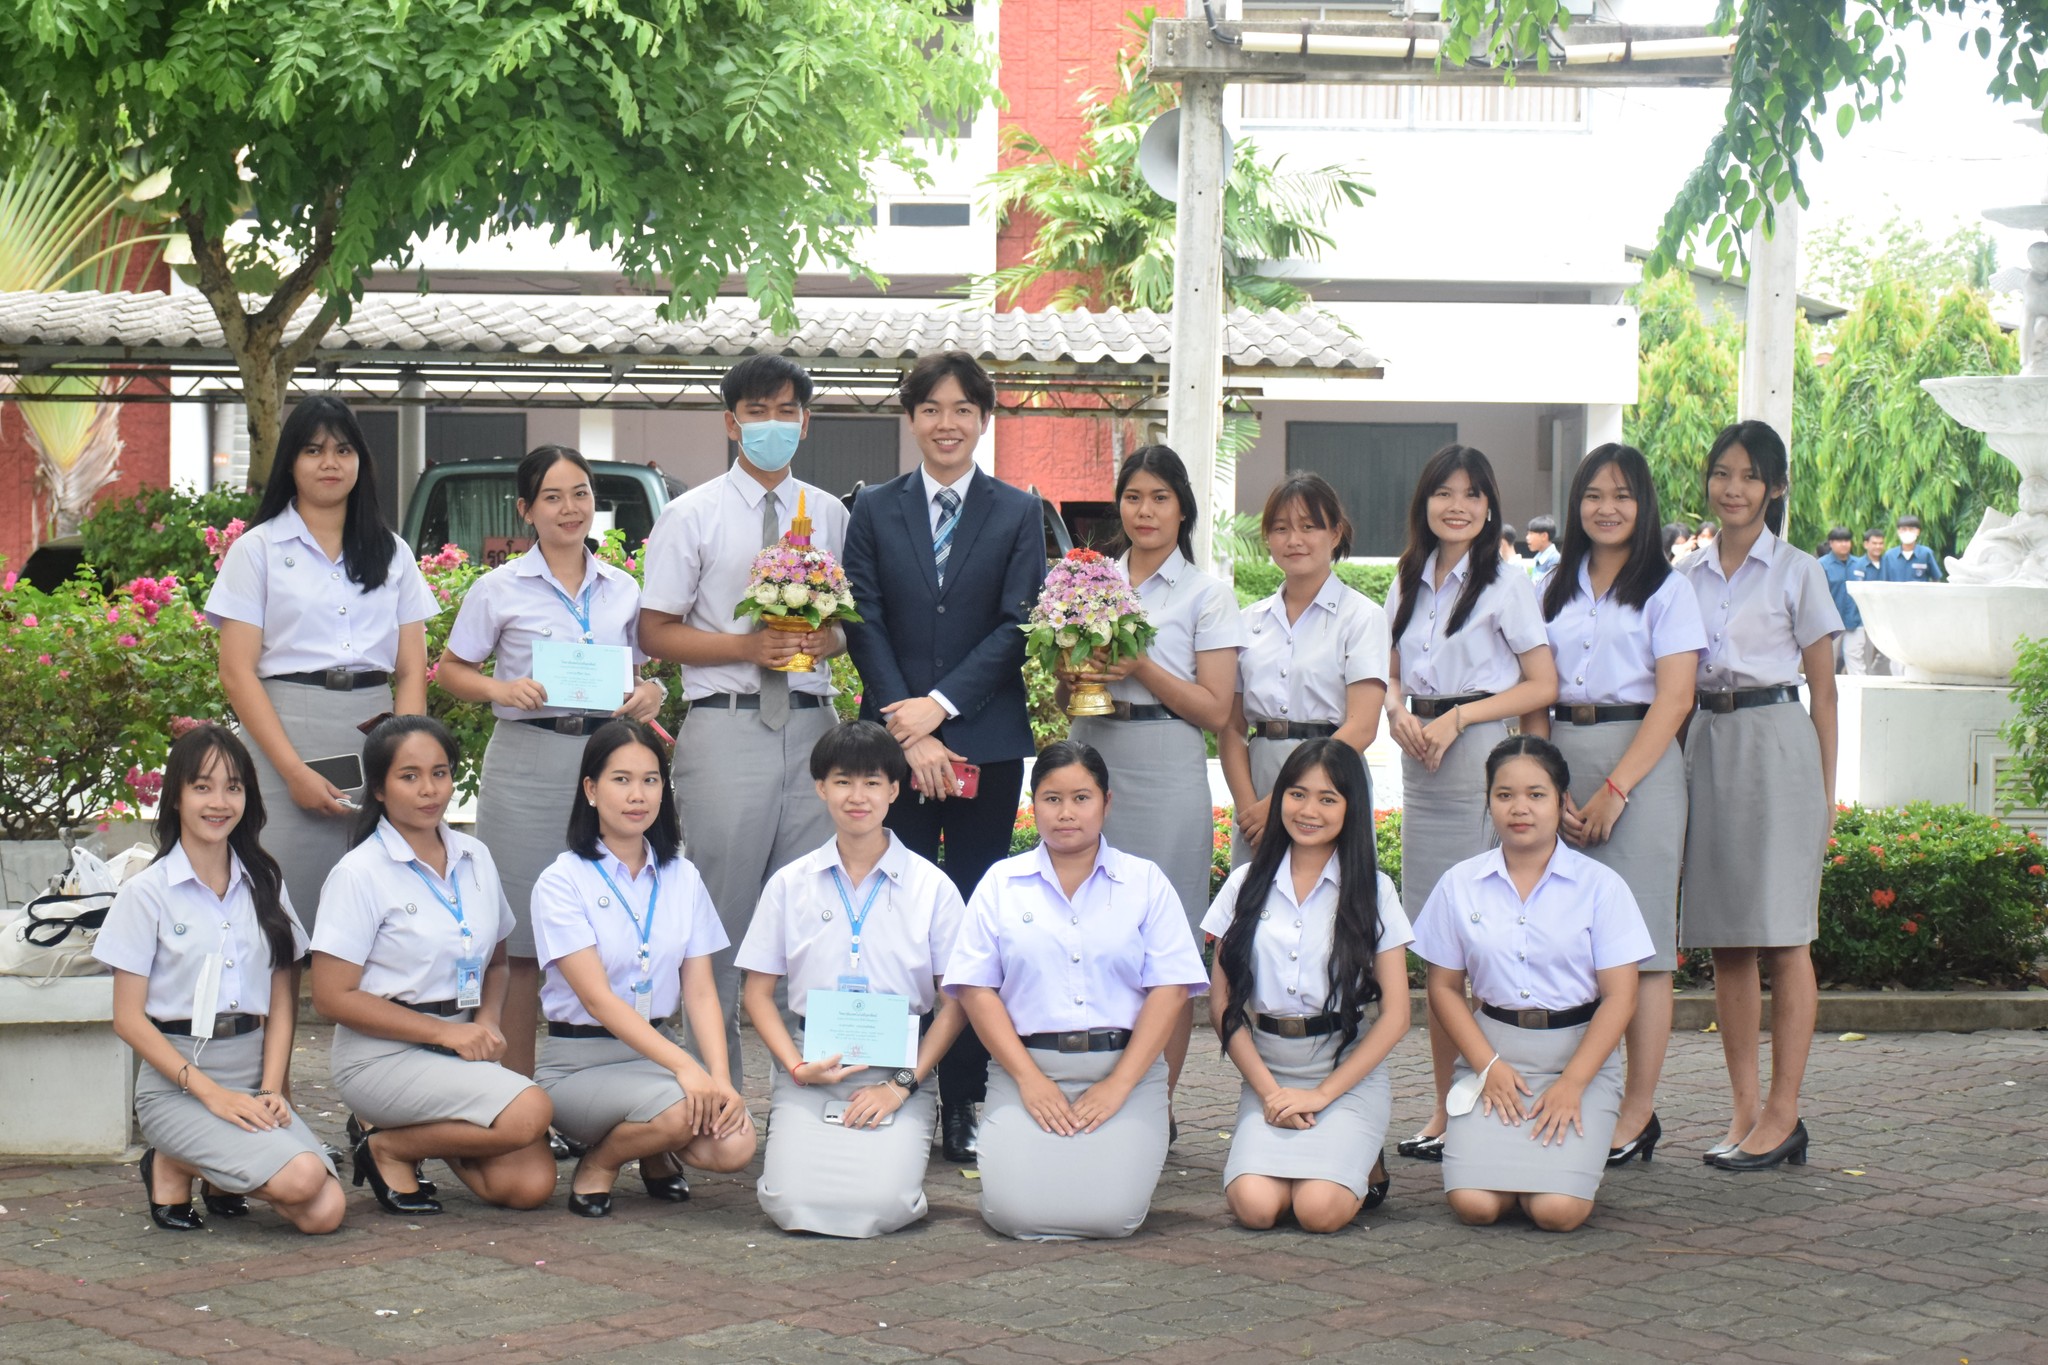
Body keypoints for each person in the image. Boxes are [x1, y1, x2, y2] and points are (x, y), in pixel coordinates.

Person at [841, 350, 1049, 1164]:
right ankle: (885, 1083)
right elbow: (864, 616)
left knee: (968, 923)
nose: (947, 422)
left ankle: (963, 1096)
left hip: (985, 746)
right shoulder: (874, 507)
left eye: (963, 408)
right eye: (930, 407)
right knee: (887, 922)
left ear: (985, 418)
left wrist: (943, 710)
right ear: (911, 417)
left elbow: (1015, 623)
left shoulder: (1015, 510)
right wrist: (910, 728)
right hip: (891, 749)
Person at [638, 355, 848, 1089]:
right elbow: (654, 631)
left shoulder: (830, 513)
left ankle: (816, 1087)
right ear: (731, 423)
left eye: (787, 410)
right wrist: (745, 646)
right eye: (757, 411)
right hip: (727, 725)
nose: (773, 424)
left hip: (816, 725)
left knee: (817, 915)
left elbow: (847, 623)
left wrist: (829, 638)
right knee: (720, 911)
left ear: (804, 421)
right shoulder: (688, 513)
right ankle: (704, 1089)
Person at [436, 445, 666, 1080]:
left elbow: (643, 677)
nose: (571, 509)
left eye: (581, 494)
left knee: (614, 930)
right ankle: (515, 1098)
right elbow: (452, 671)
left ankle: (602, 1090)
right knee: (521, 942)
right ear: (526, 510)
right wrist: (499, 690)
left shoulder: (623, 588)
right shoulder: (498, 588)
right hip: (528, 763)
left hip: (609, 763)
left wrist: (651, 695)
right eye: (553, 497)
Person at [943, 742, 1209, 1241]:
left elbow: (1171, 991)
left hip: (1121, 1071)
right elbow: (977, 991)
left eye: (1081, 798)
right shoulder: (1002, 883)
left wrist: (1119, 1084)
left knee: (1112, 1217)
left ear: (1107, 802)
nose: (1066, 813)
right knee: (1014, 1215)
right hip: (1028, 1074)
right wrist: (1029, 1080)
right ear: (1033, 803)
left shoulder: (1144, 882)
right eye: (1051, 799)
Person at [1522, 444, 1705, 1167]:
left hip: (1644, 764)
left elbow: (1676, 697)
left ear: (1644, 504)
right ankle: (1573, 1094)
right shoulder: (1550, 586)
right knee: (1571, 940)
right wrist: (1549, 780)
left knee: (1646, 948)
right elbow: (1536, 686)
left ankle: (1637, 1110)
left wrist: (1616, 790)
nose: (1606, 507)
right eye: (1593, 494)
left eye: (1622, 495)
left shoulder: (1669, 588)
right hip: (1564, 757)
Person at [95, 724, 345, 1235]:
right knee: (301, 1181)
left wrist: (272, 1088)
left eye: (233, 787)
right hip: (178, 1086)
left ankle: (210, 1170)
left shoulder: (265, 882)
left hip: (252, 1076)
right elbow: (127, 1019)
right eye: (203, 786)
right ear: (177, 798)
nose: (220, 801)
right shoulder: (147, 893)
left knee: (326, 1212)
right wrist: (211, 1094)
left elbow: (281, 999)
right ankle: (174, 1159)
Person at [1380, 445, 1558, 1162]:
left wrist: (1460, 718)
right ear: (1424, 502)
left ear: (1490, 506)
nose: (1457, 505)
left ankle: (1498, 1096)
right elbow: (1386, 671)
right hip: (1420, 760)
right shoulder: (1407, 578)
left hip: (1477, 758)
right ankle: (1447, 1107)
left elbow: (1540, 682)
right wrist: (1397, 711)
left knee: (1485, 939)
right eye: (1443, 492)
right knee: (1439, 946)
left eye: (1472, 494)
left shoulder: (1508, 584)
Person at [205, 395, 437, 926]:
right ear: (290, 462)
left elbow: (409, 670)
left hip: (374, 735)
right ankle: (280, 1013)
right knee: (280, 913)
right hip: (284, 731)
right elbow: (236, 672)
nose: (329, 463)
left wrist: (405, 756)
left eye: (343, 449)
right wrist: (293, 772)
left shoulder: (392, 552)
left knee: (379, 912)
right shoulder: (257, 550)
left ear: (361, 461)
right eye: (313, 450)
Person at [311, 716, 557, 1214]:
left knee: (527, 1186)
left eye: (440, 773)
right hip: (382, 1057)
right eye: (409, 776)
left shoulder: (476, 855)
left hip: (460, 1049)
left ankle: (413, 1135)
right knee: (530, 1109)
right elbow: (331, 997)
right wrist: (444, 1035)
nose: (429, 790)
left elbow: (498, 962)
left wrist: (484, 1024)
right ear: (378, 788)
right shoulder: (359, 873)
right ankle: (386, 1147)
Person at [1680, 420, 1841, 1172]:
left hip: (1779, 742)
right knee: (1728, 938)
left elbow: (1826, 692)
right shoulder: (1687, 575)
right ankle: (1745, 1109)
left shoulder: (1799, 570)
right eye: (1721, 472)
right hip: (1708, 741)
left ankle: (1786, 1110)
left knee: (1784, 935)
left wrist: (1827, 793)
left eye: (1749, 475)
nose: (1733, 487)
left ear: (1775, 487)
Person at [1060, 444, 1241, 1105]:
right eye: (1134, 496)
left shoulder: (1207, 594)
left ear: (1183, 507)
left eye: (1160, 497)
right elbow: (1060, 693)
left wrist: (1138, 664)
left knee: (1161, 939)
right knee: (1088, 926)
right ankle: (1090, 1083)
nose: (1145, 510)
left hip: (1166, 763)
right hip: (1092, 750)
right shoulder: (1086, 579)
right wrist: (1071, 674)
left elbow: (1216, 709)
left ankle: (1152, 1102)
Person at [1410, 734, 1651, 1232]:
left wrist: (1573, 1083)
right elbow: (1443, 989)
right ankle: (1518, 1167)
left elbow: (1621, 996)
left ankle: (1556, 1172)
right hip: (1493, 1058)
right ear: (1489, 801)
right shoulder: (1459, 883)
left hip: (1577, 1057)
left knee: (1557, 1213)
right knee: (1476, 1205)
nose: (1520, 808)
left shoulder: (1601, 887)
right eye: (1504, 795)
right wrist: (1487, 1065)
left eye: (1536, 795)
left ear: (1562, 802)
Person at [737, 721, 969, 1238]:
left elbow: (955, 1002)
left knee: (885, 1206)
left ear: (894, 788)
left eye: (871, 782)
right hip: (812, 1069)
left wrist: (902, 1084)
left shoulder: (933, 888)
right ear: (821, 788)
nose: (856, 796)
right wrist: (796, 1068)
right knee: (788, 1204)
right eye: (842, 782)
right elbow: (756, 993)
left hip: (897, 1074)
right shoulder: (790, 884)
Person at [528, 720, 755, 1217]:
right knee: (680, 1112)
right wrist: (684, 1070)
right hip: (579, 1062)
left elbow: (699, 992)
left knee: (733, 1145)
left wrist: (719, 1078)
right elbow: (597, 999)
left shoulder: (682, 875)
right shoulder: (562, 880)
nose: (638, 795)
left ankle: (651, 1147)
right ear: (590, 789)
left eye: (651, 780)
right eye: (621, 780)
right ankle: (602, 1162)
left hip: (655, 1056)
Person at [1203, 740, 1412, 1233]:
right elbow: (1222, 1006)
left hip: (1343, 1070)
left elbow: (1398, 1016)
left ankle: (1364, 1155)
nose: (1309, 810)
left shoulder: (1374, 889)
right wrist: (1270, 1092)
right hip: (1269, 1070)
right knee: (1255, 1209)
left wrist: (1321, 1095)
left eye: (1327, 798)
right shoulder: (1243, 884)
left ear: (1350, 807)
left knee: (1319, 1211)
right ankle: (1336, 1152)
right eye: (1297, 794)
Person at [1220, 474, 1388, 868]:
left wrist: (1282, 802)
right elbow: (1229, 727)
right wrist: (1251, 810)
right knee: (1255, 908)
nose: (1293, 539)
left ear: (1336, 533)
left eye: (1308, 526)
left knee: (1335, 904)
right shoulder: (1247, 622)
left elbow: (1362, 726)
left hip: (1332, 781)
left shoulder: (1362, 617)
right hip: (1258, 783)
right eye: (1280, 529)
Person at [1846, 530, 1891, 675]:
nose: (1878, 546)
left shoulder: (1887, 563)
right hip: (1862, 618)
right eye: (1874, 543)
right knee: (1859, 653)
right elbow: (1857, 594)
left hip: (1883, 619)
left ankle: (1874, 676)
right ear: (1866, 544)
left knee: (1886, 652)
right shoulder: (1859, 565)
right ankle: (1861, 681)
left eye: (1881, 543)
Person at [1820, 527, 1861, 674]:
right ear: (1831, 543)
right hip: (1830, 624)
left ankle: (1859, 691)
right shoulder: (1822, 564)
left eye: (1846, 540)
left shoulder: (1859, 564)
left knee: (1856, 660)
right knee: (1828, 660)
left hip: (1855, 621)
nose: (1844, 544)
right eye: (1839, 541)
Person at [1881, 514, 1945, 583]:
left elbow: (1936, 579)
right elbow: (1883, 581)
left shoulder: (1926, 553)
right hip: (1895, 593)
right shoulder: (1889, 555)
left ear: (1918, 532)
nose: (1907, 532)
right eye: (1904, 529)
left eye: (1911, 529)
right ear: (1898, 531)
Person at [1525, 514, 1560, 578]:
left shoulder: (1555, 559)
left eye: (1531, 534)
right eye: (1527, 534)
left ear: (1544, 536)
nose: (1527, 537)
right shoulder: (1538, 557)